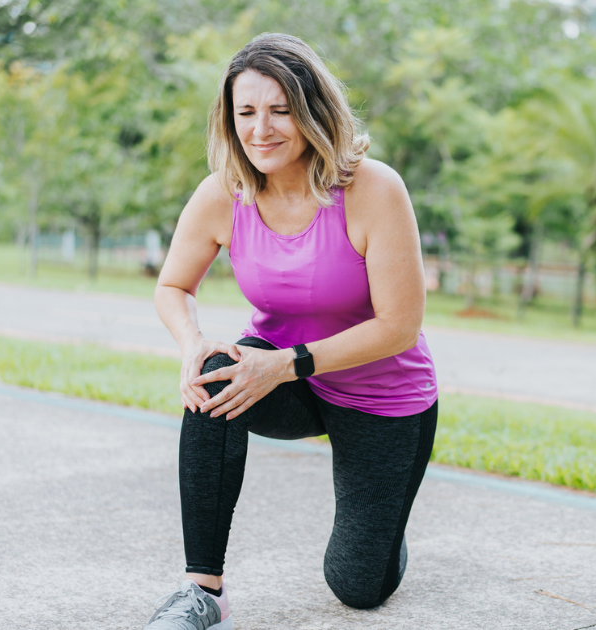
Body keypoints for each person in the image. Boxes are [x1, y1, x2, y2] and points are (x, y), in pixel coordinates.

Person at [147, 32, 438, 630]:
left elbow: (401, 327)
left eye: (281, 110)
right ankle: (202, 591)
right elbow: (172, 287)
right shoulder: (224, 195)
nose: (262, 129)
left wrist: (284, 363)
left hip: (381, 397)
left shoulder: (372, 190)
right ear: (229, 120)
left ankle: (385, 533)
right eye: (246, 112)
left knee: (357, 586)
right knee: (212, 377)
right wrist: (190, 346)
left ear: (312, 112)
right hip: (289, 380)